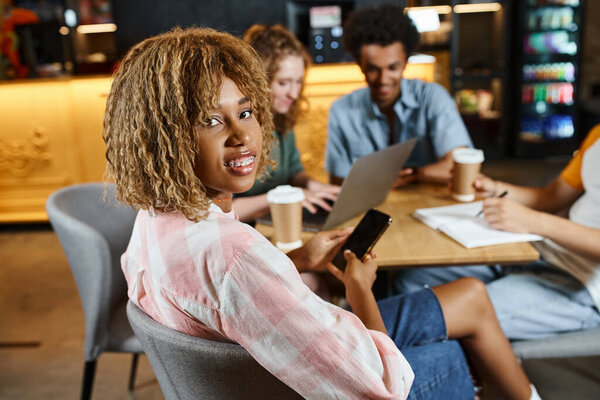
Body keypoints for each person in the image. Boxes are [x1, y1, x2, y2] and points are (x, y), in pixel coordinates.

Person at [104, 27, 540, 399]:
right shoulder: (235, 255)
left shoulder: (152, 221)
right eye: (211, 121)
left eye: (246, 112)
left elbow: (219, 296)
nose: (243, 136)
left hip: (253, 369)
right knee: (451, 352)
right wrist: (359, 291)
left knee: (468, 296)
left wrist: (293, 262)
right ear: (163, 138)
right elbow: (383, 385)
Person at [393, 125, 600, 341]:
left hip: (583, 286)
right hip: (540, 253)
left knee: (436, 314)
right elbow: (551, 197)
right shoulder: (597, 135)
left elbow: (541, 217)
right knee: (411, 280)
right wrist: (494, 187)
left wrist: (535, 222)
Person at [325, 4, 472, 187]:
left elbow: (459, 166)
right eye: (372, 69)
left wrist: (415, 175)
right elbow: (338, 183)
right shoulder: (341, 110)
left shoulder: (433, 98)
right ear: (360, 65)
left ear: (406, 63)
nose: (383, 79)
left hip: (430, 207)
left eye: (393, 67)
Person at [233, 24, 340, 222]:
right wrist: (283, 198)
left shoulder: (281, 118)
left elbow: (293, 172)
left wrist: (315, 186)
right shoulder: (237, 129)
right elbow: (221, 211)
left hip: (275, 223)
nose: (293, 93)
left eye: (298, 82)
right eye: (283, 83)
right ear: (258, 81)